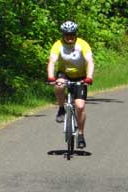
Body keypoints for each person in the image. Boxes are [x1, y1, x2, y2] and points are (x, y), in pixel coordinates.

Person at [47, 20, 94, 149]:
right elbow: (52, 61)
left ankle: (81, 134)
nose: (69, 37)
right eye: (67, 35)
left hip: (81, 76)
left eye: (72, 35)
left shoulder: (83, 44)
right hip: (64, 74)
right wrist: (51, 77)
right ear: (63, 35)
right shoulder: (58, 45)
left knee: (80, 106)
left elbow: (90, 61)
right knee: (59, 85)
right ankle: (61, 108)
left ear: (75, 34)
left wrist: (89, 77)